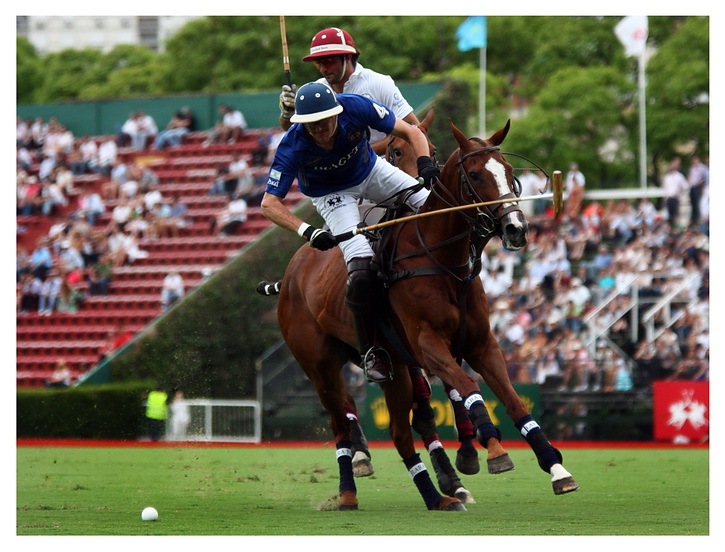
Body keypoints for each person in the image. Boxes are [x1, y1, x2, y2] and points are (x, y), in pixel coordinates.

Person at [261, 81, 437, 383]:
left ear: (336, 112)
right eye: (312, 125)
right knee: (360, 264)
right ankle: (371, 350)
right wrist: (309, 232)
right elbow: (269, 204)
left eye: (325, 121)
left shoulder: (355, 106)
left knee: (434, 209)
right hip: (332, 194)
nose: (320, 130)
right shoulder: (292, 145)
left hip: (370, 171)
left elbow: (411, 131)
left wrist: (424, 165)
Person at [279, 27, 419, 155]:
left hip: (383, 165)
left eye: (328, 61)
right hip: (339, 169)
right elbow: (289, 128)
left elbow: (413, 128)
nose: (323, 69)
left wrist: (361, 154)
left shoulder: (379, 83)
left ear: (347, 57)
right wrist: (287, 113)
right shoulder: (318, 90)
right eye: (318, 63)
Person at [662, 159, 689, 228]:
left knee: (676, 215)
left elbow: (685, 186)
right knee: (669, 215)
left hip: (675, 197)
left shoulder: (679, 176)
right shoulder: (667, 176)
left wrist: (678, 192)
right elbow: (665, 187)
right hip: (668, 198)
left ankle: (676, 229)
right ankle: (671, 228)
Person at [687, 156, 709, 227]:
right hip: (692, 187)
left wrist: (699, 183)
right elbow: (691, 177)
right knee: (693, 204)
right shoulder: (692, 168)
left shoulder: (703, 168)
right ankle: (693, 220)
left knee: (698, 204)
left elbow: (705, 178)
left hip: (699, 187)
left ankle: (698, 220)